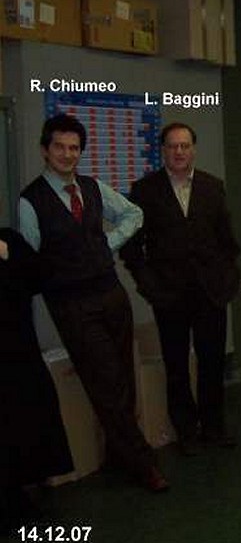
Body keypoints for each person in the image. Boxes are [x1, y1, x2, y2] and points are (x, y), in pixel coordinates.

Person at [18, 114, 168, 492]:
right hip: (72, 304)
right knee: (106, 384)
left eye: (74, 148)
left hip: (111, 293)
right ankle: (143, 463)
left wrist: (107, 244)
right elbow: (29, 259)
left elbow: (134, 214)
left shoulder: (92, 187)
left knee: (123, 379)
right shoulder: (30, 201)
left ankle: (119, 455)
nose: (67, 154)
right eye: (59, 147)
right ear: (45, 150)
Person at [121, 122, 240, 456]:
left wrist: (227, 278)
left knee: (212, 362)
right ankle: (186, 431)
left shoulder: (212, 187)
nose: (179, 152)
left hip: (210, 293)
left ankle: (214, 427)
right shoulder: (145, 190)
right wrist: (149, 286)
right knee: (175, 365)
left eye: (185, 145)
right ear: (163, 150)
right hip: (169, 295)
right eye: (172, 146)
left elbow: (227, 241)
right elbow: (132, 248)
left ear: (193, 149)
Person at [1, 216, 73, 532]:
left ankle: (17, 492)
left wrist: (5, 254)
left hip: (19, 352)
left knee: (25, 420)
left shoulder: (9, 241)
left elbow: (39, 277)